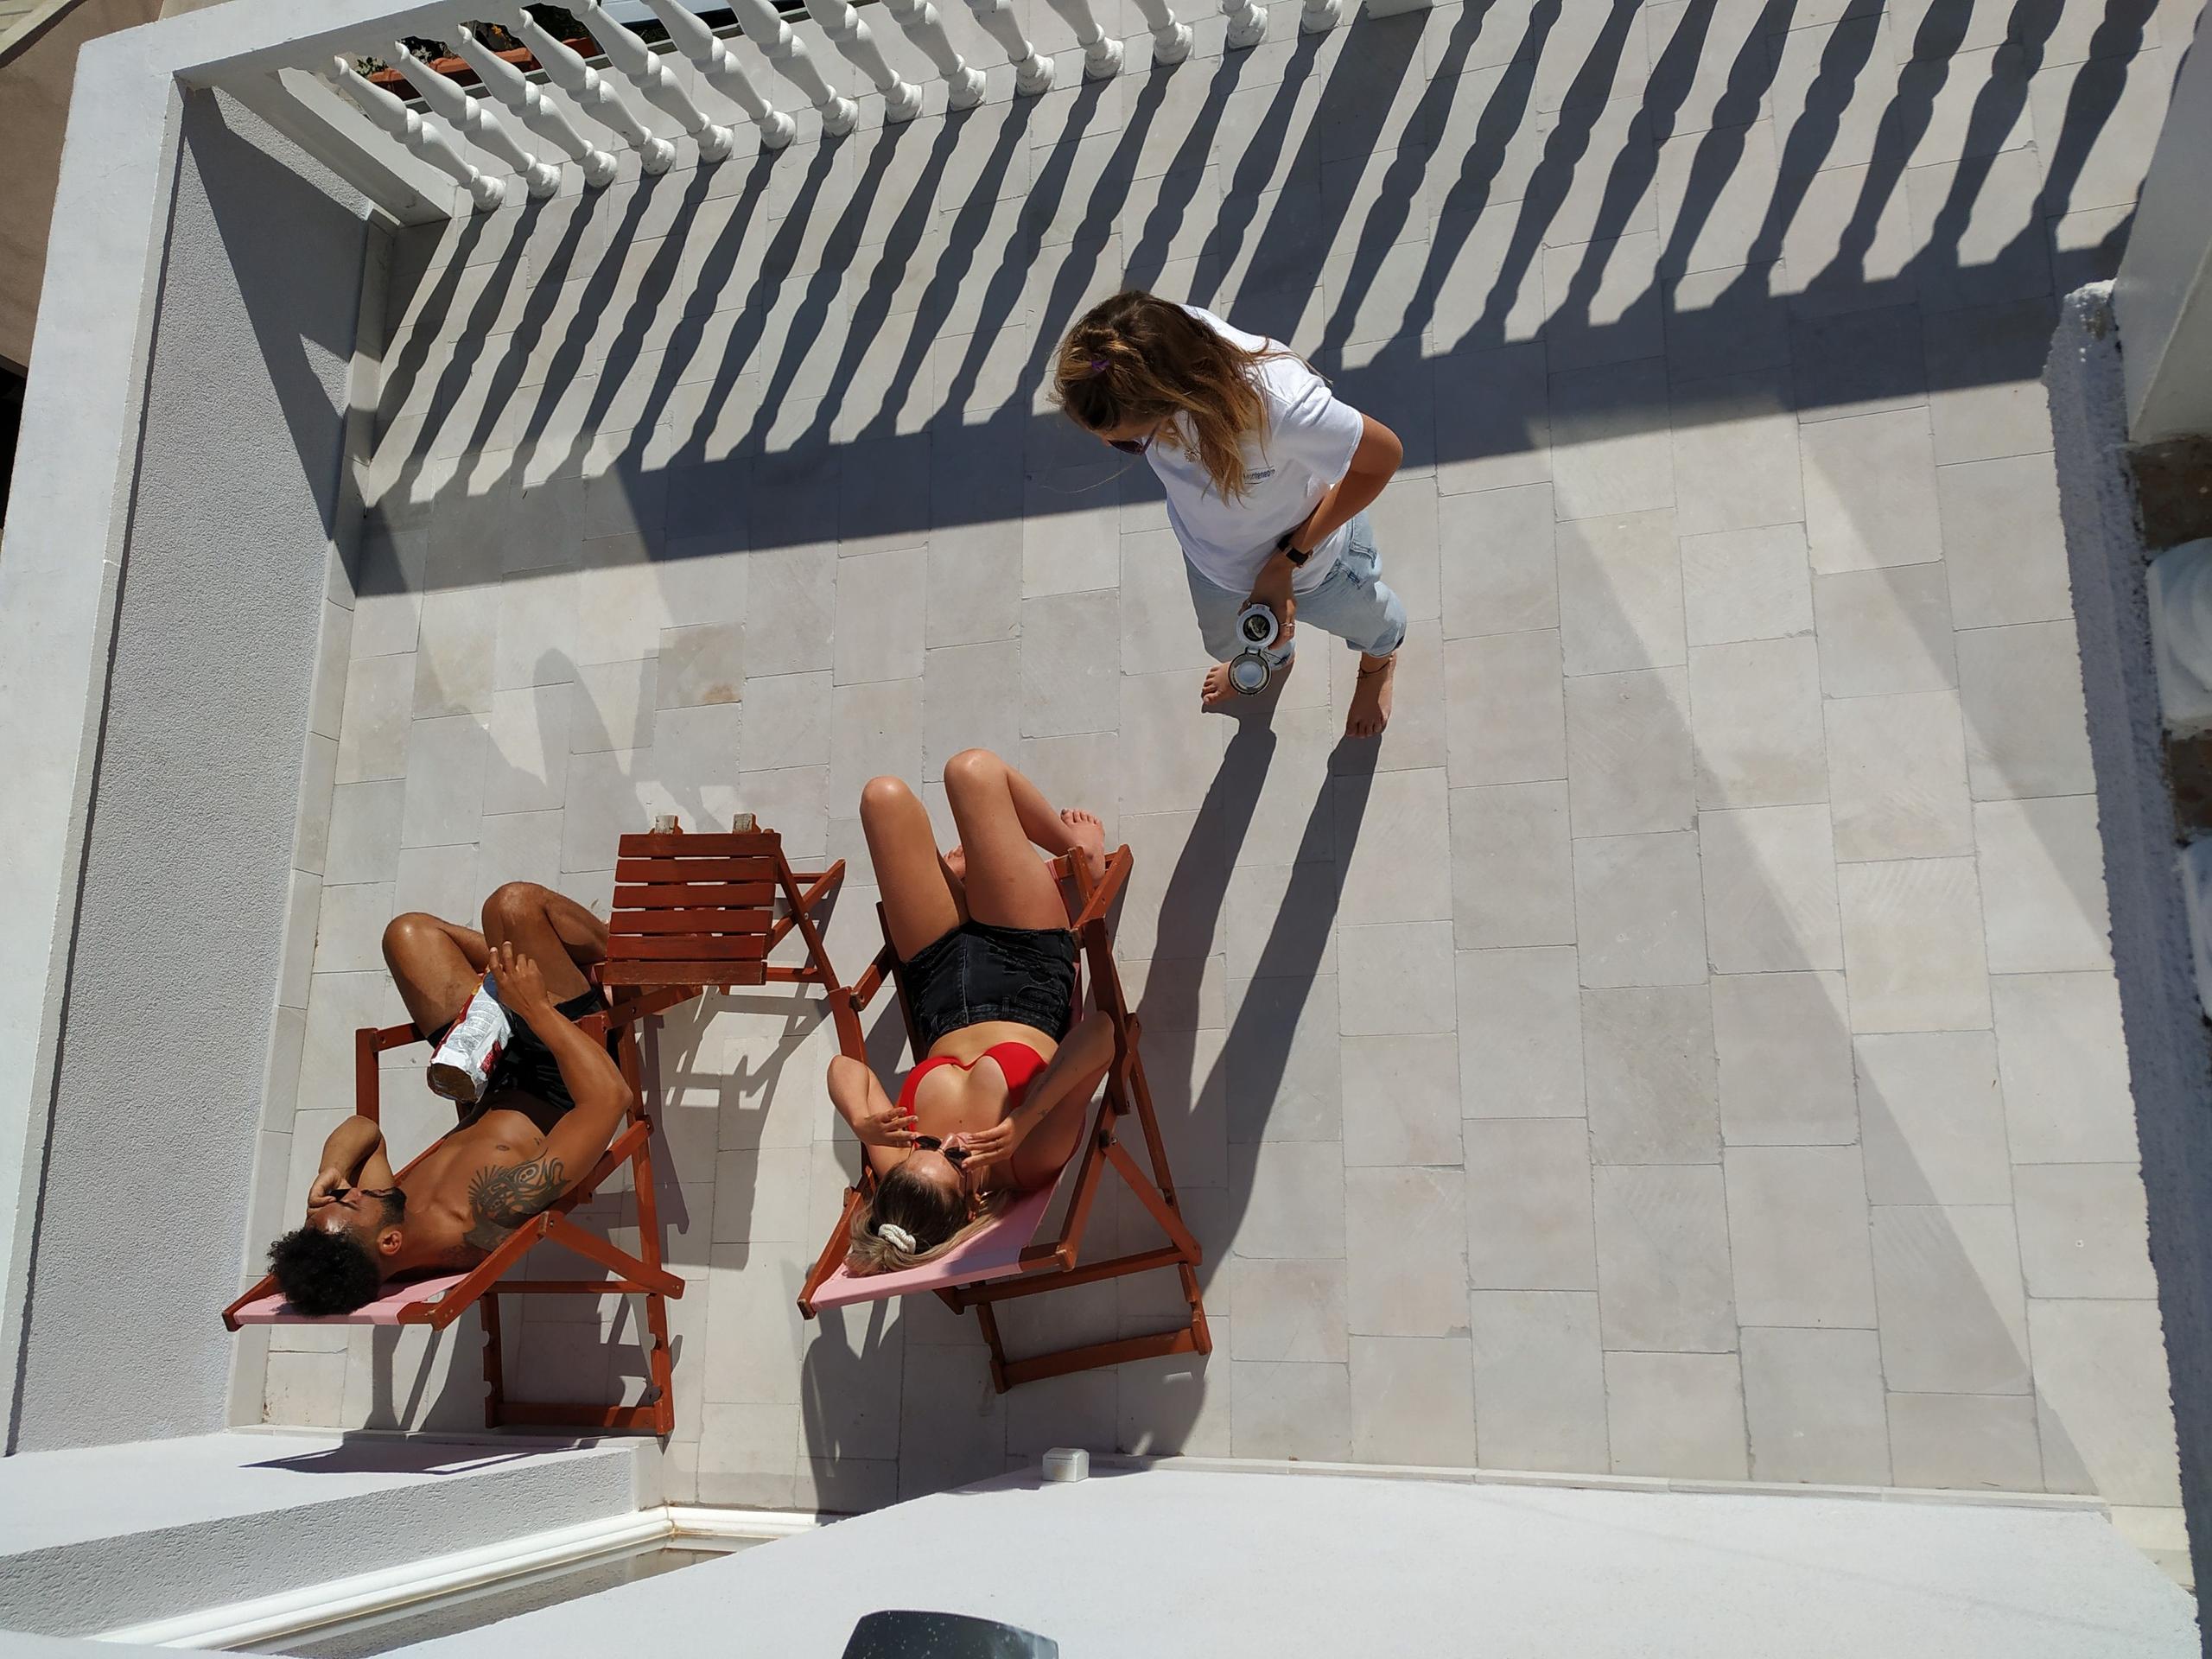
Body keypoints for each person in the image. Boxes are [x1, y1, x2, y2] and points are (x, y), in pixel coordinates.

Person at [263, 883, 633, 1315]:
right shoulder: (494, 1210)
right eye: (347, 1203)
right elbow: (609, 1098)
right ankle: (616, 961)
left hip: (488, 1071)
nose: (349, 1193)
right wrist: (535, 1009)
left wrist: (332, 1166)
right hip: (564, 1072)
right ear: (390, 1242)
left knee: (408, 934)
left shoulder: (392, 1215)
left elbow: (364, 1131)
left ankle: (527, 963)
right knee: (512, 905)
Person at [1052, 289, 1408, 737]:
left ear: (1174, 398)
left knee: (1371, 622)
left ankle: (1378, 662)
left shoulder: (1284, 407)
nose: (1112, 447)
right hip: (1213, 562)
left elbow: (1383, 458)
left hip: (1321, 564)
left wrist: (1285, 563)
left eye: (1128, 441)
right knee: (1237, 638)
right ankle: (1270, 657)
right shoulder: (1153, 340)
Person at [833, 749, 1120, 1272]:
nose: (950, 1141)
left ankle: (958, 884)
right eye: (957, 1159)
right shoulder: (1025, 1161)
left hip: (936, 976)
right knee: (972, 772)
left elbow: (844, 1069)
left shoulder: (903, 1162)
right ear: (974, 1203)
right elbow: (1102, 1034)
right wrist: (1027, 1119)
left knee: (882, 797)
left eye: (928, 1143)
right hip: (1025, 964)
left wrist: (861, 1121)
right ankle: (1079, 852)